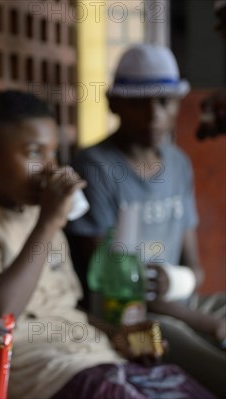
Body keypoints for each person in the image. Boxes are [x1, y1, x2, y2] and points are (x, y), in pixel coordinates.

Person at [0, 90, 214, 398]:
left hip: (93, 355)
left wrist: (117, 335)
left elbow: (67, 308)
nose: (49, 167)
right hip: (40, 370)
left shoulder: (38, 212)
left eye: (52, 153)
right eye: (34, 153)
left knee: (182, 388)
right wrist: (48, 223)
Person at [65, 44, 226, 397]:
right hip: (130, 314)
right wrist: (206, 323)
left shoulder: (178, 163)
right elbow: (109, 286)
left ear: (176, 105)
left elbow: (195, 269)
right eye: (139, 102)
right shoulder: (96, 168)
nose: (153, 115)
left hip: (179, 299)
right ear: (114, 103)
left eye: (164, 101)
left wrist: (178, 282)